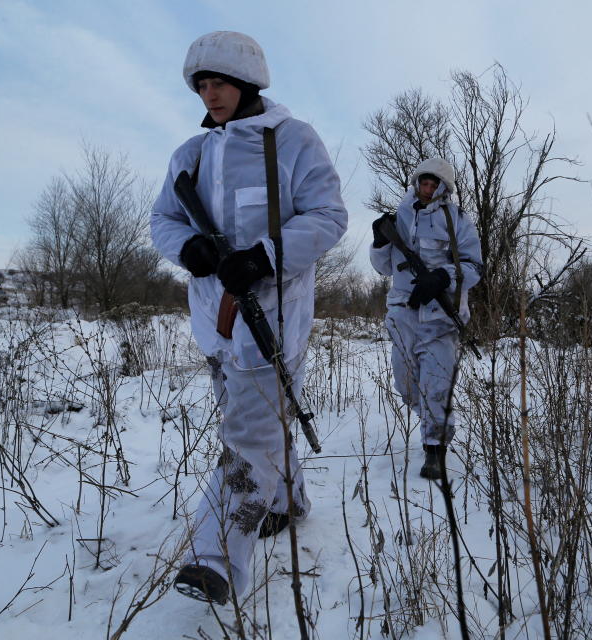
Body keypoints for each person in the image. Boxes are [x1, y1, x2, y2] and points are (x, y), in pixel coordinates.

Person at [150, 31, 347, 606]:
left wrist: (263, 256)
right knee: (258, 426)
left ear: (247, 82)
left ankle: (215, 560)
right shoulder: (189, 154)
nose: (210, 94)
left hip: (273, 320)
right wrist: (190, 250)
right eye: (202, 85)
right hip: (215, 321)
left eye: (219, 83)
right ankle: (290, 502)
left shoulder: (291, 141)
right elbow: (163, 219)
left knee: (245, 436)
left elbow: (330, 215)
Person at [369, 158, 482, 479]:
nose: (428, 190)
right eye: (424, 183)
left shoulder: (457, 219)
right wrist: (379, 242)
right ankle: (431, 419)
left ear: (444, 188)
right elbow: (383, 268)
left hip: (441, 319)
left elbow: (474, 266)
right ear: (416, 182)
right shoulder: (399, 217)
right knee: (405, 386)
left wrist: (442, 278)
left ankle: (435, 448)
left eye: (435, 185)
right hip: (402, 315)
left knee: (436, 386)